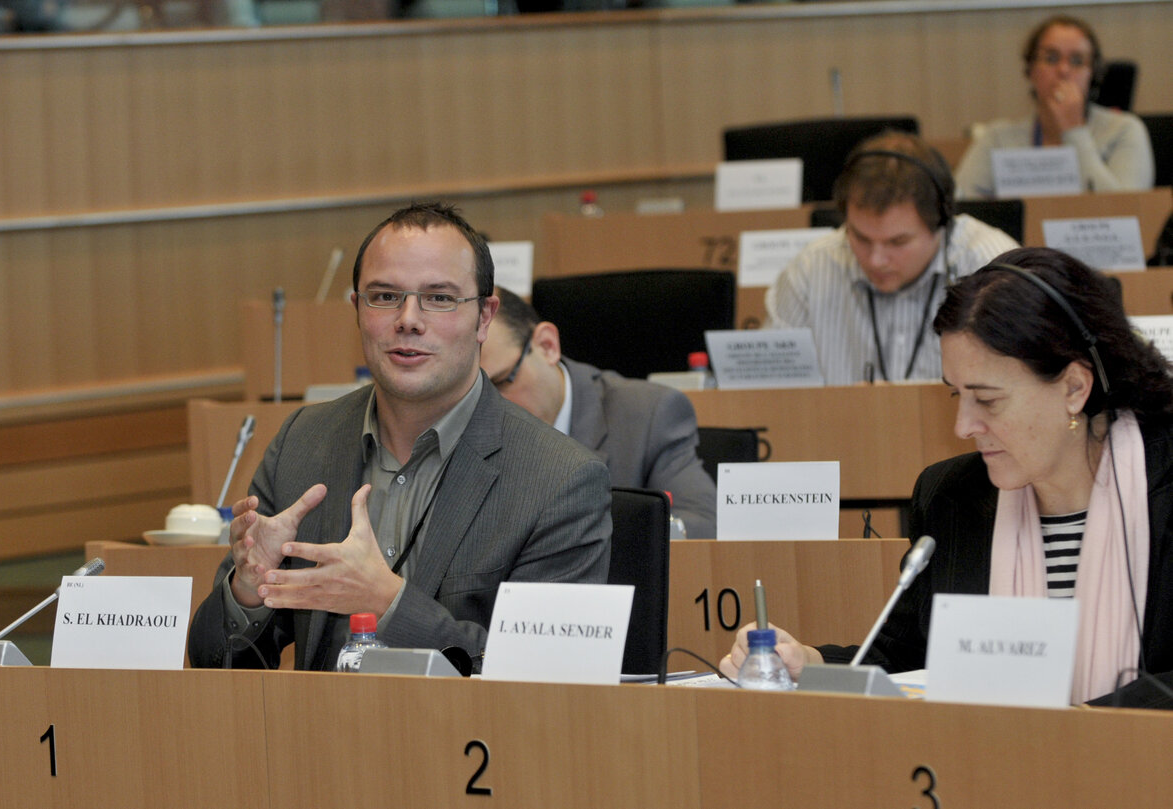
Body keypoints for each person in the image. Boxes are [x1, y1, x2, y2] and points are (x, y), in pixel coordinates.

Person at [723, 247, 1173, 705]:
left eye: (989, 400)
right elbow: (908, 657)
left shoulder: (1165, 484)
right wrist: (807, 662)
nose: (963, 426)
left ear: (1074, 387)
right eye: (956, 395)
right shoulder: (951, 496)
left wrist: (1069, 728)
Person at [189, 202, 611, 672]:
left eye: (439, 298)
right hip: (311, 738)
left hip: (464, 743)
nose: (408, 319)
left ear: (485, 318)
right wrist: (248, 592)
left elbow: (552, 674)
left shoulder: (558, 478)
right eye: (385, 296)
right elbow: (214, 665)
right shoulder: (302, 442)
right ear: (357, 310)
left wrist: (388, 603)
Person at [768, 131, 1018, 386]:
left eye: (897, 242)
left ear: (941, 223)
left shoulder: (992, 268)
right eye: (860, 238)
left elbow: (1023, 388)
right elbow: (770, 389)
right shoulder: (809, 271)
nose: (876, 260)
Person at [480, 287, 718, 538]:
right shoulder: (453, 423)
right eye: (473, 392)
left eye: (501, 382)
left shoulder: (648, 414)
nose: (488, 406)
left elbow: (702, 525)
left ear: (547, 345)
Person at [954, 14, 1155, 200]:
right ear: (1031, 70)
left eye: (1077, 61)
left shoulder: (1124, 130)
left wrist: (1074, 131)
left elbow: (1127, 211)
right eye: (1051, 58)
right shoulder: (998, 138)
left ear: (1091, 73)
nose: (1063, 70)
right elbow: (958, 206)